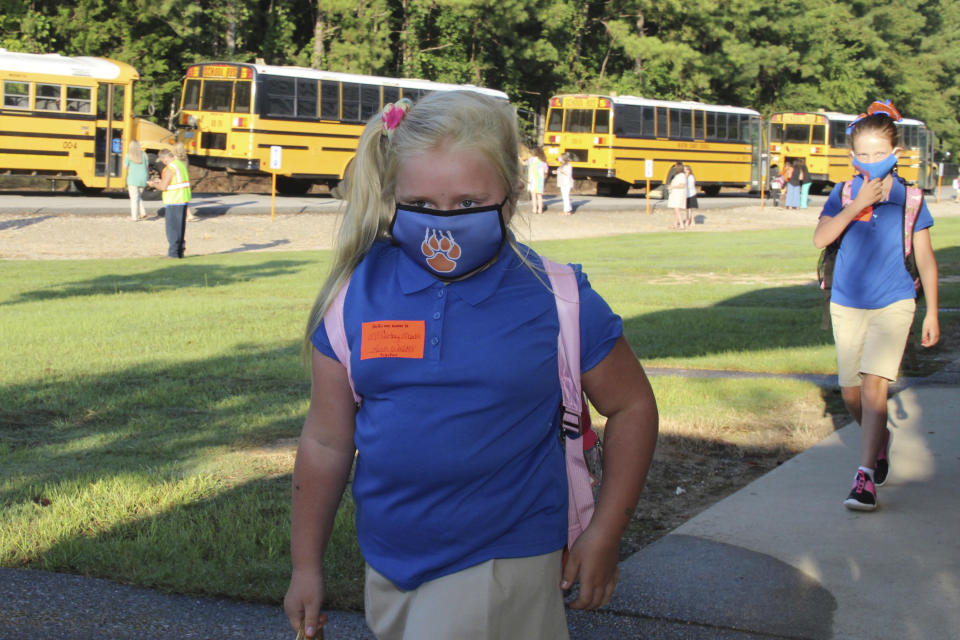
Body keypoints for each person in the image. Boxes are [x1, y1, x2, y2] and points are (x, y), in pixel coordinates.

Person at [283, 91, 659, 640]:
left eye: (467, 203)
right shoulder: (354, 295)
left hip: (503, 558)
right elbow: (326, 439)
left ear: (508, 197)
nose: (445, 225)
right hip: (391, 561)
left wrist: (605, 531)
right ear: (392, 198)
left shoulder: (555, 297)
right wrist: (305, 566)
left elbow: (632, 404)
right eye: (424, 205)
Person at [813, 100, 939, 512]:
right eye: (862, 154)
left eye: (878, 154)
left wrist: (932, 311)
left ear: (895, 154)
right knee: (850, 393)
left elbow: (925, 259)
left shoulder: (911, 198)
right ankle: (880, 438)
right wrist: (855, 204)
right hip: (847, 302)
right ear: (852, 157)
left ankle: (864, 477)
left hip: (895, 301)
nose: (870, 161)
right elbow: (820, 239)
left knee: (873, 384)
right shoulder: (844, 192)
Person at [149, 148, 192, 258]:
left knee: (172, 229)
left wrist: (154, 184)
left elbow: (163, 187)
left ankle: (173, 254)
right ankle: (180, 252)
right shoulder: (180, 164)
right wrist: (161, 181)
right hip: (183, 199)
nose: (162, 162)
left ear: (164, 158)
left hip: (174, 200)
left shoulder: (170, 168)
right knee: (180, 228)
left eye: (162, 160)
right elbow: (175, 181)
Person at [124, 140, 149, 221]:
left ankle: (134, 217)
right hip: (143, 179)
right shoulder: (144, 154)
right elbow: (147, 166)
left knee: (134, 198)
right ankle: (143, 212)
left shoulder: (128, 155)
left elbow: (125, 167)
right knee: (138, 196)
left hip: (133, 179)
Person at [173, 142, 197, 221]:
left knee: (178, 198)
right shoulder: (186, 158)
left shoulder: (175, 159)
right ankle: (188, 214)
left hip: (177, 180)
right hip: (185, 179)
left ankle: (187, 215)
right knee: (183, 199)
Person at [524, 147, 549, 214]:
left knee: (533, 196)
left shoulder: (531, 160)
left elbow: (524, 163)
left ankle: (534, 209)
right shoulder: (543, 161)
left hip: (532, 180)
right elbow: (546, 171)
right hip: (540, 180)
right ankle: (540, 210)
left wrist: (519, 158)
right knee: (539, 196)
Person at [667, 164, 687, 229]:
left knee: (677, 209)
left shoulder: (682, 176)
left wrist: (672, 187)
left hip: (678, 194)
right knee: (675, 210)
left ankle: (681, 224)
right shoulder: (677, 176)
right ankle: (675, 224)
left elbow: (682, 185)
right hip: (675, 194)